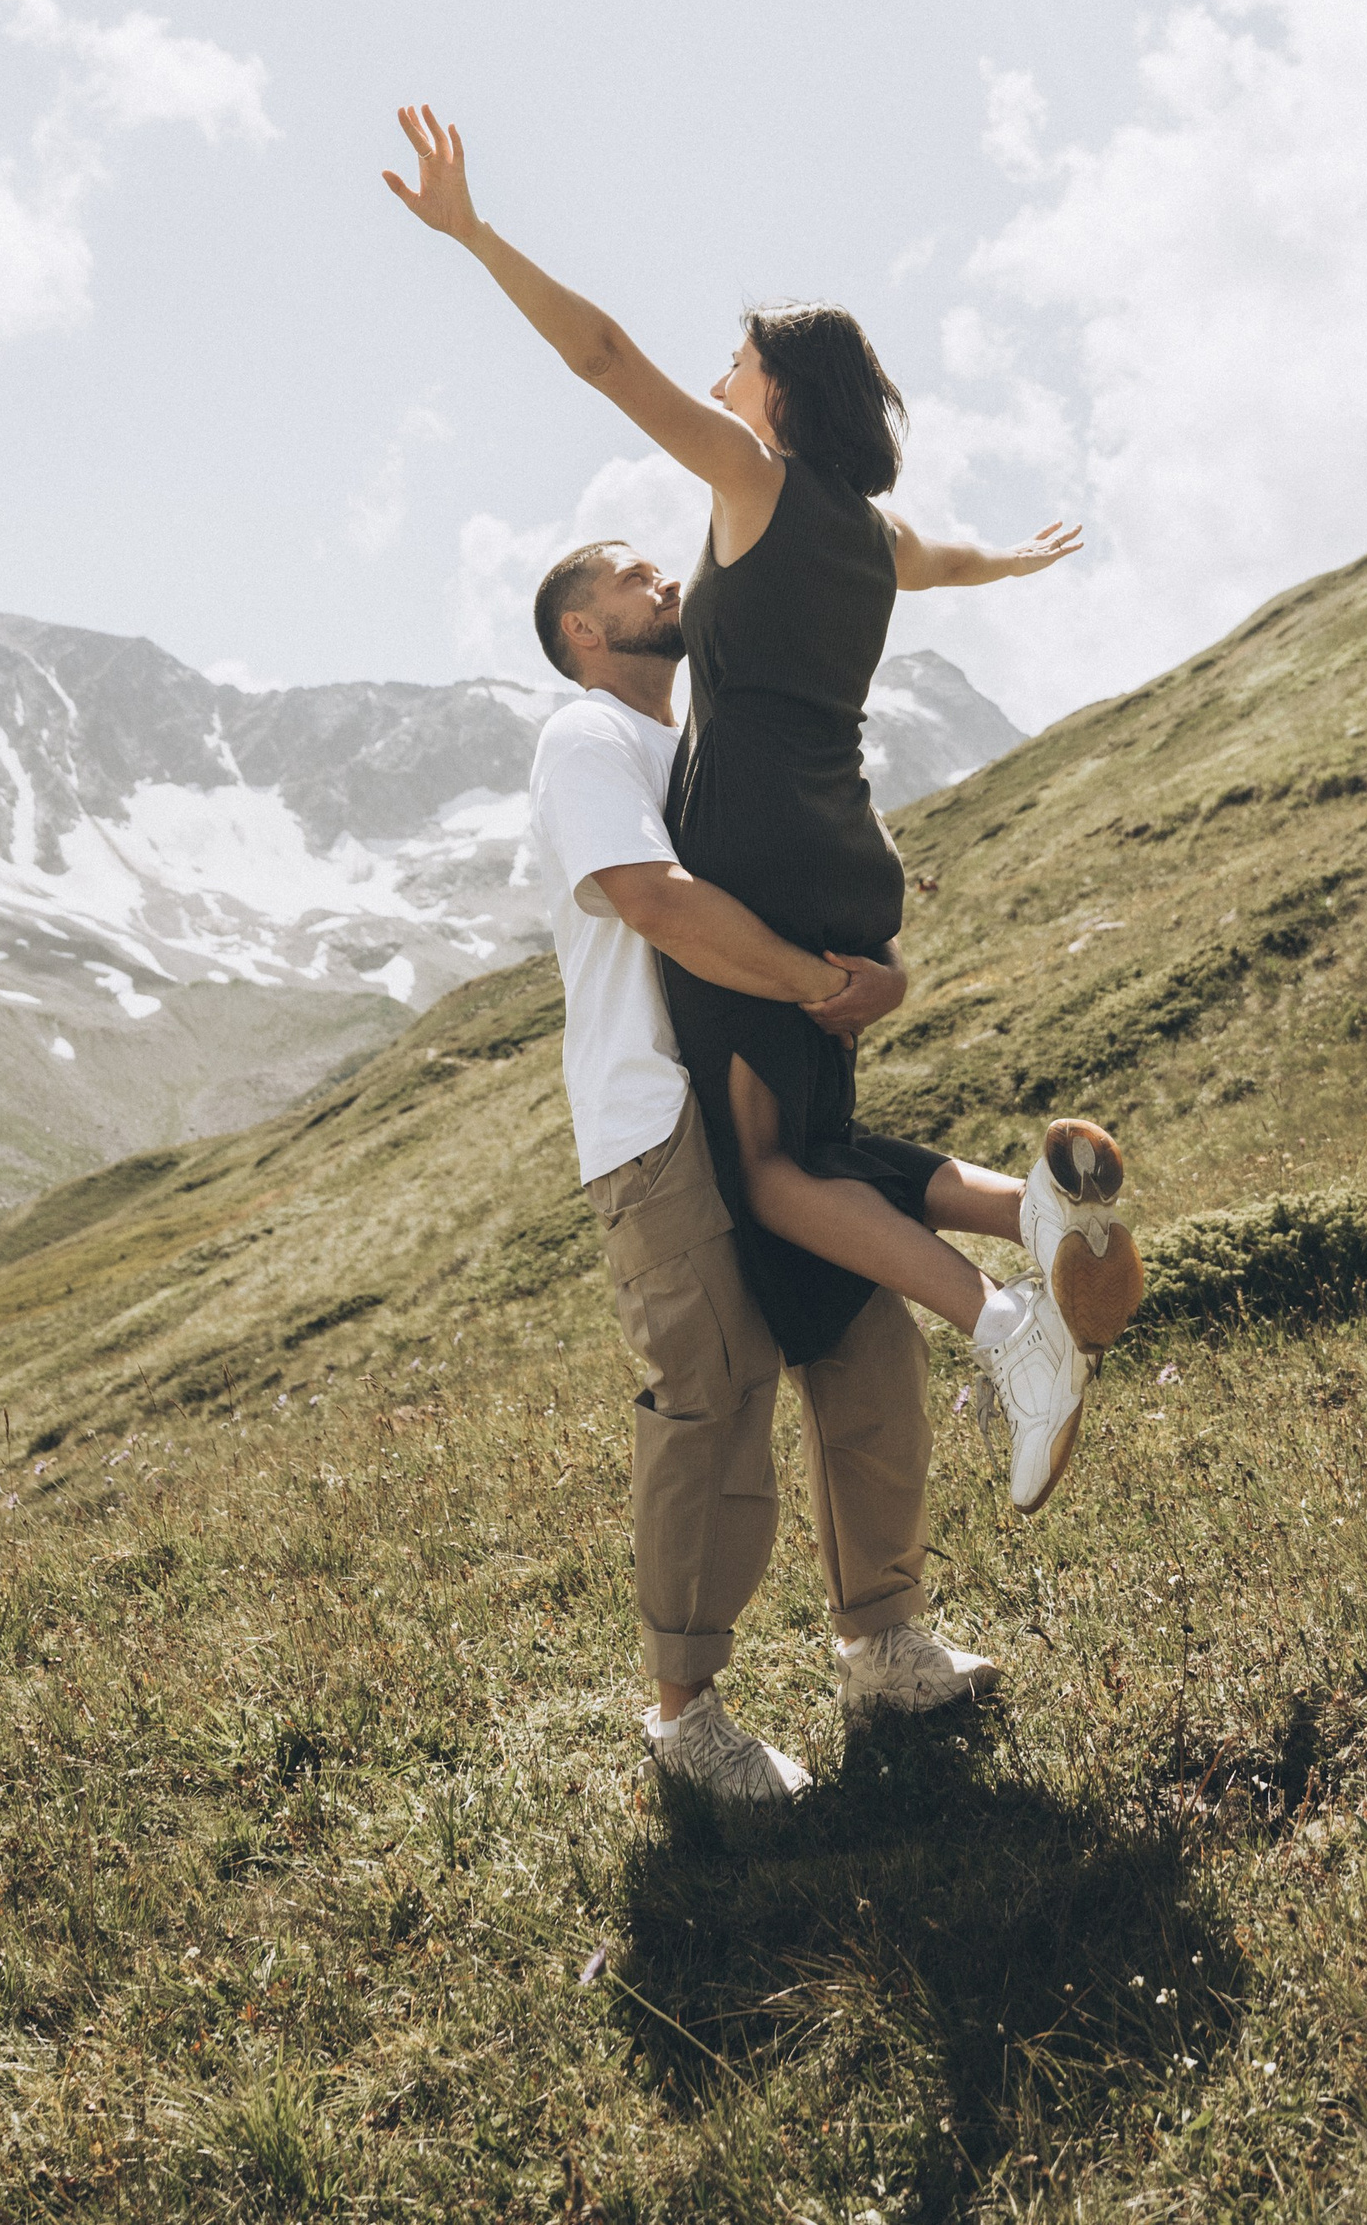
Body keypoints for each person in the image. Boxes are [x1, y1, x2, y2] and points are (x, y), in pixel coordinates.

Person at [384, 106, 1146, 1516]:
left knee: (775, 1175)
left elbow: (603, 357)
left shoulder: (750, 479)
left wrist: (475, 234)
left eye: (739, 357)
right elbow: (950, 557)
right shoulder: (874, 531)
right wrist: (1020, 567)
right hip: (855, 852)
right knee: (827, 1144)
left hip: (756, 851)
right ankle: (1026, 1207)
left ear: (780, 390)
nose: (720, 371)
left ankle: (1009, 1333)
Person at [527, 532, 999, 1800]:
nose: (664, 578)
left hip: (765, 1098)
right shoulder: (587, 740)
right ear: (580, 630)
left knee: (865, 1346)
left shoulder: (701, 745)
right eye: (628, 574)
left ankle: (882, 1636)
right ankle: (685, 1720)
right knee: (712, 1392)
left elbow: (799, 894)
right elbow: (650, 897)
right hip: (657, 1118)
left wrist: (871, 976)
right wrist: (812, 983)